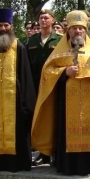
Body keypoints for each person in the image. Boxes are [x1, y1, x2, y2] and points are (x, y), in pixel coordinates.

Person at [31, 10, 90, 176]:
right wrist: (65, 72)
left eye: (81, 29)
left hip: (89, 101)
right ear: (68, 30)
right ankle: (66, 165)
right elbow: (47, 71)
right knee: (66, 131)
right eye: (74, 28)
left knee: (89, 129)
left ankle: (88, 164)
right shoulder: (59, 52)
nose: (78, 31)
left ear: (85, 31)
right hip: (66, 101)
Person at [0, 8, 36, 173]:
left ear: (11, 26)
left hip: (15, 100)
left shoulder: (19, 46)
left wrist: (26, 103)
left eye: (5, 25)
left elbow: (26, 76)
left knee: (17, 131)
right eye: (0, 25)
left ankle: (17, 164)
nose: (3, 28)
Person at [26, 9, 62, 165]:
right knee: (40, 118)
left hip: (54, 84)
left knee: (54, 118)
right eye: (41, 18)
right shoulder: (32, 41)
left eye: (46, 18)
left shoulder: (60, 40)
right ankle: (43, 152)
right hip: (35, 85)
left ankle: (55, 151)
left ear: (53, 20)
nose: (43, 20)